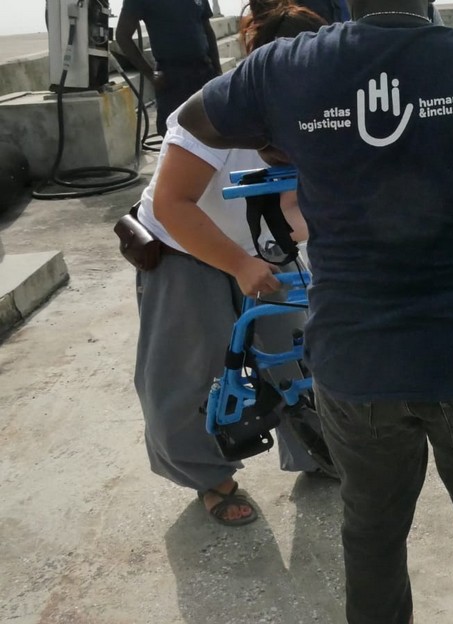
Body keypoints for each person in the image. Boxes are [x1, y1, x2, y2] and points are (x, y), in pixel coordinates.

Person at [176, 1, 453, 622]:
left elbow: (194, 118)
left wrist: (283, 139)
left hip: (355, 363)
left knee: (371, 533)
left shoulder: (288, 69)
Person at [132, 2, 328, 527]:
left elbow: (298, 204)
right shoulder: (216, 108)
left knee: (297, 353)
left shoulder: (323, 104)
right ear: (255, 60)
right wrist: (239, 265)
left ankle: (319, 450)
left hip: (262, 241)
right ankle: (210, 478)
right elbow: (174, 203)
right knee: (189, 371)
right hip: (182, 244)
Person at [115, 0, 223, 137]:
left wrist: (217, 71)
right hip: (172, 78)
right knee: (175, 135)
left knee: (214, 131)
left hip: (204, 72)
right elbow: (122, 36)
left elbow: (207, 28)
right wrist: (150, 74)